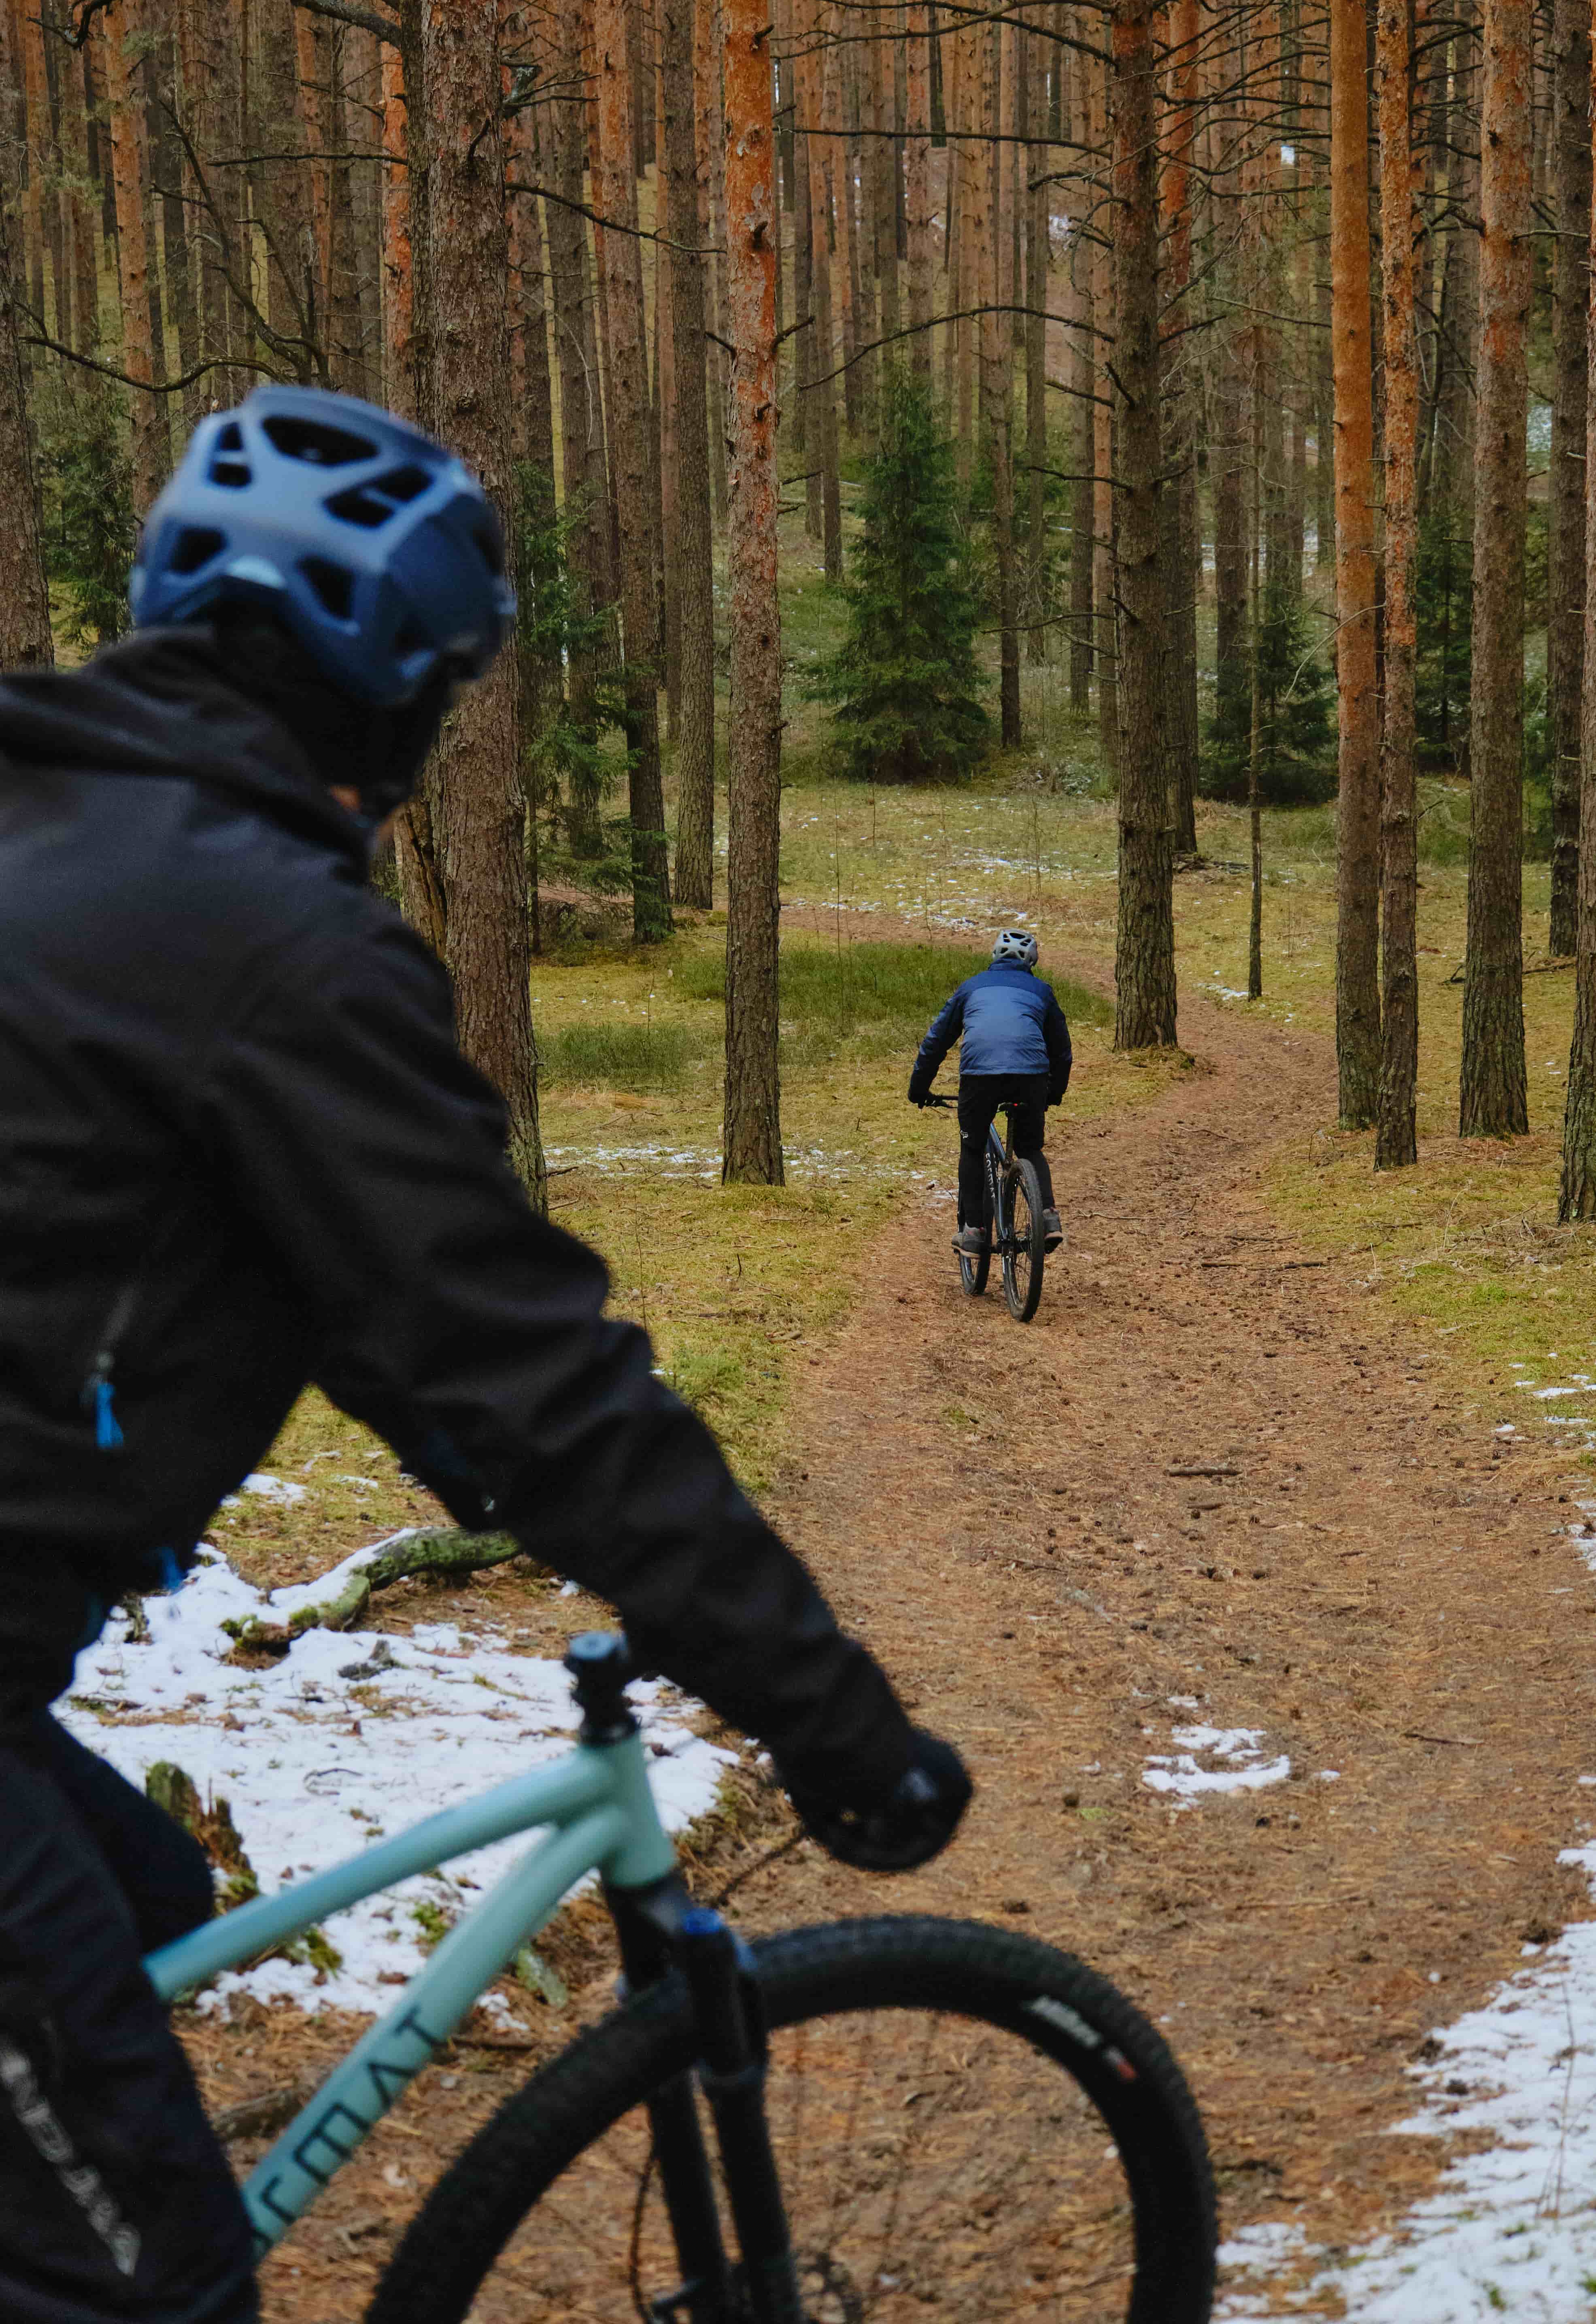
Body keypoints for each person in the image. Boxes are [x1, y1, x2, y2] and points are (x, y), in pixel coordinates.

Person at [0, 386, 969, 2324]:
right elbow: (538, 1396)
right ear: (399, 699)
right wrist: (836, 1726)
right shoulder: (276, 953)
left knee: (140, 1903)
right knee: (155, 2284)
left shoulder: (50, 816)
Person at [907, 928, 1071, 1257]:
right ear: (1032, 962)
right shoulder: (1042, 991)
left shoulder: (971, 987)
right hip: (1030, 1078)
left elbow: (936, 1042)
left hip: (980, 1077)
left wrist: (919, 1089)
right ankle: (1048, 1217)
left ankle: (974, 1232)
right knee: (1030, 1148)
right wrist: (1053, 1093)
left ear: (994, 956)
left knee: (972, 1147)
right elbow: (1062, 1051)